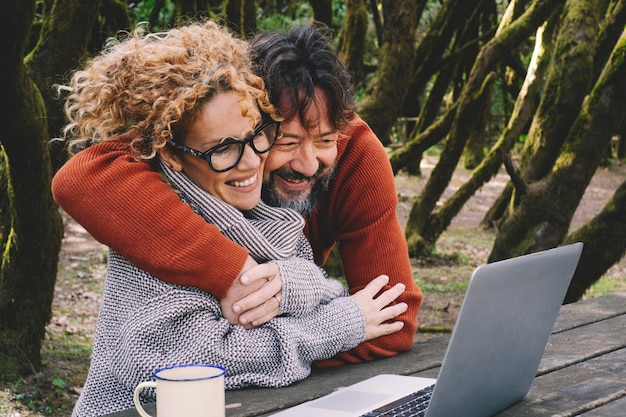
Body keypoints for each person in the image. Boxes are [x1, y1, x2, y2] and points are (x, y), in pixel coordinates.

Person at [57, 21, 407, 417]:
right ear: (170, 153)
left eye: (257, 136)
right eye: (223, 148)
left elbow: (361, 305)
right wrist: (329, 328)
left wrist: (289, 285)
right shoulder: (150, 215)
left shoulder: (266, 216)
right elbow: (186, 362)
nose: (250, 161)